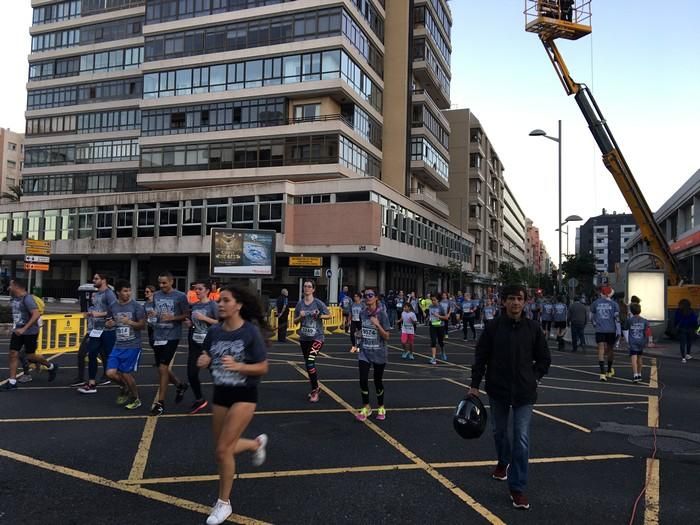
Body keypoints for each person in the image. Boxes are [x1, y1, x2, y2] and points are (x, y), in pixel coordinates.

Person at [469, 284, 551, 511]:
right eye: (512, 298)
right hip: (498, 390)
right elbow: (481, 357)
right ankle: (503, 462)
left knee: (521, 439)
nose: (516, 302)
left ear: (525, 302)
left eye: (520, 299)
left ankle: (517, 488)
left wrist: (534, 377)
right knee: (499, 431)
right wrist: (474, 385)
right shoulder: (493, 328)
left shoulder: (533, 328)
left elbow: (544, 359)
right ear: (503, 302)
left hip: (525, 392)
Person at [196, 286, 269, 525]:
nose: (220, 304)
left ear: (237, 305)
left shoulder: (250, 332)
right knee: (222, 448)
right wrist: (204, 360)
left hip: (244, 394)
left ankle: (223, 503)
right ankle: (255, 444)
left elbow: (262, 367)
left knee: (222, 450)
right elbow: (207, 355)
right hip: (221, 393)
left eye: (226, 300)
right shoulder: (215, 331)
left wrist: (240, 367)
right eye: (219, 300)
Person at [2, 279, 58, 390]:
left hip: (30, 332)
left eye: (10, 286)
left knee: (30, 356)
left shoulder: (28, 299)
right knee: (13, 353)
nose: (8, 288)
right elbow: (18, 314)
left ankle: (51, 366)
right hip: (17, 331)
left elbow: (36, 314)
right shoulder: (14, 298)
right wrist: (15, 327)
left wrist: (24, 328)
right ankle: (12, 381)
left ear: (16, 287)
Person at [148, 271, 190, 415]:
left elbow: (186, 314)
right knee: (162, 367)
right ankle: (180, 385)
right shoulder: (157, 295)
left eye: (164, 283)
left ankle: (160, 403)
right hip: (158, 334)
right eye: (160, 283)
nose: (162, 286)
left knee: (162, 367)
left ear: (171, 282)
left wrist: (173, 317)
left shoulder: (180, 296)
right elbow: (154, 311)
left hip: (172, 335)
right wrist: (152, 315)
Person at [105, 280, 146, 410]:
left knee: (125, 373)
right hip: (118, 345)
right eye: (125, 291)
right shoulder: (113, 306)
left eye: (129, 290)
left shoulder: (136, 306)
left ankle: (136, 398)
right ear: (118, 292)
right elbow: (109, 320)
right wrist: (109, 324)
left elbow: (142, 325)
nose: (128, 293)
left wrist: (130, 322)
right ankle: (124, 387)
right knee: (110, 373)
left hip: (132, 345)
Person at [355, 287, 392, 421]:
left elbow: (387, 336)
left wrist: (378, 325)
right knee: (363, 380)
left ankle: (381, 406)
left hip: (379, 352)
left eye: (371, 295)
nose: (368, 297)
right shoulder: (363, 313)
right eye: (366, 295)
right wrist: (359, 335)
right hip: (365, 351)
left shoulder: (382, 314)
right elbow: (363, 330)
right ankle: (366, 407)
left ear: (376, 298)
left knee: (377, 381)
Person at [78, 273, 117, 394]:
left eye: (96, 279)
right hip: (95, 329)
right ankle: (91, 383)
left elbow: (115, 310)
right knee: (91, 354)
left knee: (111, 356)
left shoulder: (109, 294)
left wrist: (99, 314)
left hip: (107, 330)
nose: (93, 280)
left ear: (104, 280)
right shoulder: (96, 294)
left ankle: (122, 380)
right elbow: (96, 308)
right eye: (93, 278)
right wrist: (90, 313)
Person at [293, 280, 331, 402]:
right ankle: (315, 387)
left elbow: (329, 315)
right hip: (304, 338)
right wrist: (301, 316)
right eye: (305, 286)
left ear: (313, 289)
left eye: (309, 286)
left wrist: (318, 315)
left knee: (310, 362)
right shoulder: (300, 304)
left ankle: (315, 391)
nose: (307, 288)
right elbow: (295, 321)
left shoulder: (318, 303)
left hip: (317, 337)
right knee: (308, 365)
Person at [186, 280, 219, 414]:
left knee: (217, 376)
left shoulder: (213, 305)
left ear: (207, 291)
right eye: (195, 289)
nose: (197, 291)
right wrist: (190, 324)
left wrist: (204, 318)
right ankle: (199, 399)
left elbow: (220, 323)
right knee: (191, 374)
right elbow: (195, 324)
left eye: (200, 289)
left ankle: (224, 401)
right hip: (195, 344)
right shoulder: (193, 306)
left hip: (210, 346)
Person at [590, 287, 621, 381]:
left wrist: (595, 324)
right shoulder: (614, 304)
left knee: (601, 349)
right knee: (610, 349)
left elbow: (591, 317)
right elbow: (617, 319)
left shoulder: (595, 303)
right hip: (611, 330)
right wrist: (619, 332)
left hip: (600, 330)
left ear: (601, 294)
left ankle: (602, 373)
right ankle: (609, 370)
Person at [626, 303, 652, 383]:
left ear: (631, 311)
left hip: (633, 341)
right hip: (641, 341)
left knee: (634, 358)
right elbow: (648, 332)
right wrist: (650, 341)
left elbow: (625, 328)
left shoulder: (629, 320)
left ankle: (635, 375)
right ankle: (640, 374)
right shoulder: (644, 321)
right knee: (640, 358)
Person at [674, 298, 697, 363]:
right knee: (689, 342)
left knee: (682, 343)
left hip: (682, 328)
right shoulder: (691, 310)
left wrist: (675, 326)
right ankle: (688, 354)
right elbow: (694, 320)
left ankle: (683, 358)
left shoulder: (678, 311)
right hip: (690, 328)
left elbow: (676, 319)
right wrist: (695, 327)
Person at [428, 294, 449, 364]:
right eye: (432, 300)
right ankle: (433, 358)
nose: (433, 301)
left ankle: (443, 351)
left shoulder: (441, 307)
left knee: (440, 342)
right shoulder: (430, 306)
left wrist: (438, 316)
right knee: (433, 341)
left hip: (440, 326)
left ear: (438, 300)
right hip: (432, 326)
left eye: (434, 300)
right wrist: (428, 318)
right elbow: (430, 315)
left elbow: (446, 318)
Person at [143, 285, 157, 360]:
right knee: (151, 343)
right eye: (145, 291)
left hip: (157, 325)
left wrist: (155, 313)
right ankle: (158, 358)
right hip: (150, 325)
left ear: (153, 293)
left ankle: (159, 359)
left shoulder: (156, 302)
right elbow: (145, 315)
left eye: (147, 291)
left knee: (154, 342)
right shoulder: (146, 303)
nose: (145, 293)